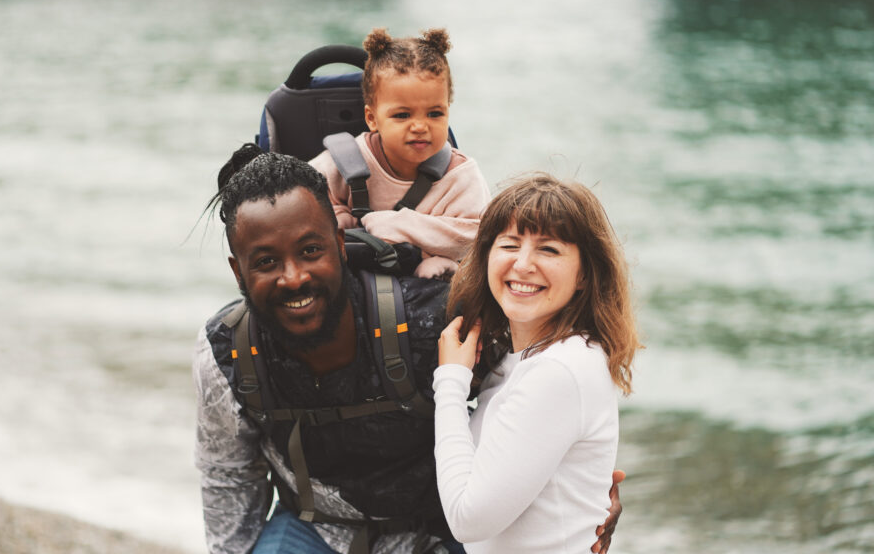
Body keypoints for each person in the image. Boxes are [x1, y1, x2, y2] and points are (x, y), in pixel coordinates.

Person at [192, 147, 622, 554]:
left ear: (340, 245)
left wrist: (588, 499)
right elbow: (227, 476)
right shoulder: (227, 352)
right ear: (238, 269)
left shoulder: (431, 321)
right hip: (315, 526)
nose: (294, 278)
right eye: (266, 262)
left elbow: (543, 394)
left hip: (432, 527)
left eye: (310, 251)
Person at [434, 173, 639, 553]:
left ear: (584, 275)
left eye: (549, 250)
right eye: (509, 244)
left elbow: (467, 520)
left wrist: (450, 381)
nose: (523, 264)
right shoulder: (523, 359)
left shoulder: (559, 370)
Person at [309, 28, 490, 280]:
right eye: (402, 115)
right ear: (372, 119)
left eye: (435, 113)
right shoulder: (344, 161)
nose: (419, 126)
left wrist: (396, 226)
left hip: (423, 292)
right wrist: (340, 219)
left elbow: (478, 237)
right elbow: (305, 196)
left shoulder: (461, 177)